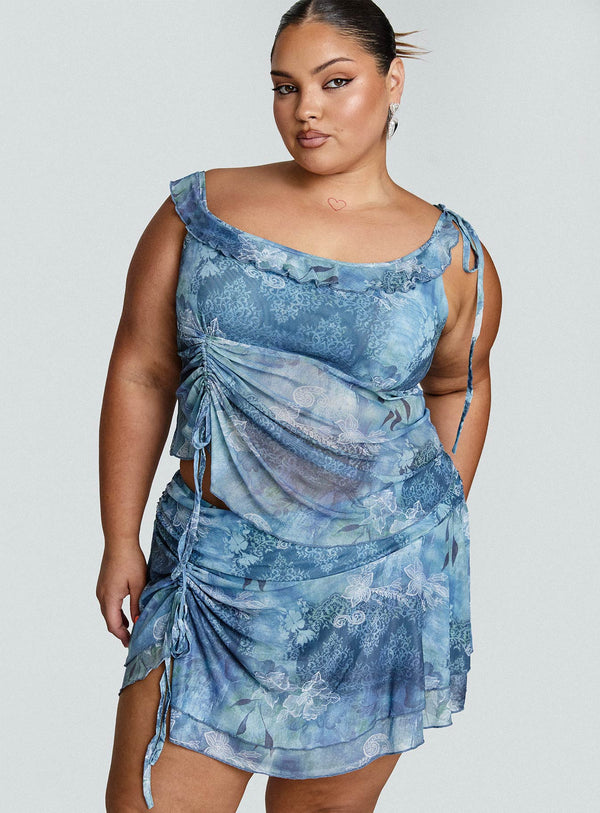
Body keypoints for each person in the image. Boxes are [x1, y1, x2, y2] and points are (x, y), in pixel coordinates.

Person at [97, 0, 502, 810]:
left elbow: (459, 382)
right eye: (286, 86)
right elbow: (141, 370)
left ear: (393, 82)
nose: (305, 109)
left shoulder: (451, 255)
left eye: (334, 82)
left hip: (373, 595)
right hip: (215, 575)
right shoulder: (200, 213)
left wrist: (416, 526)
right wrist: (119, 537)